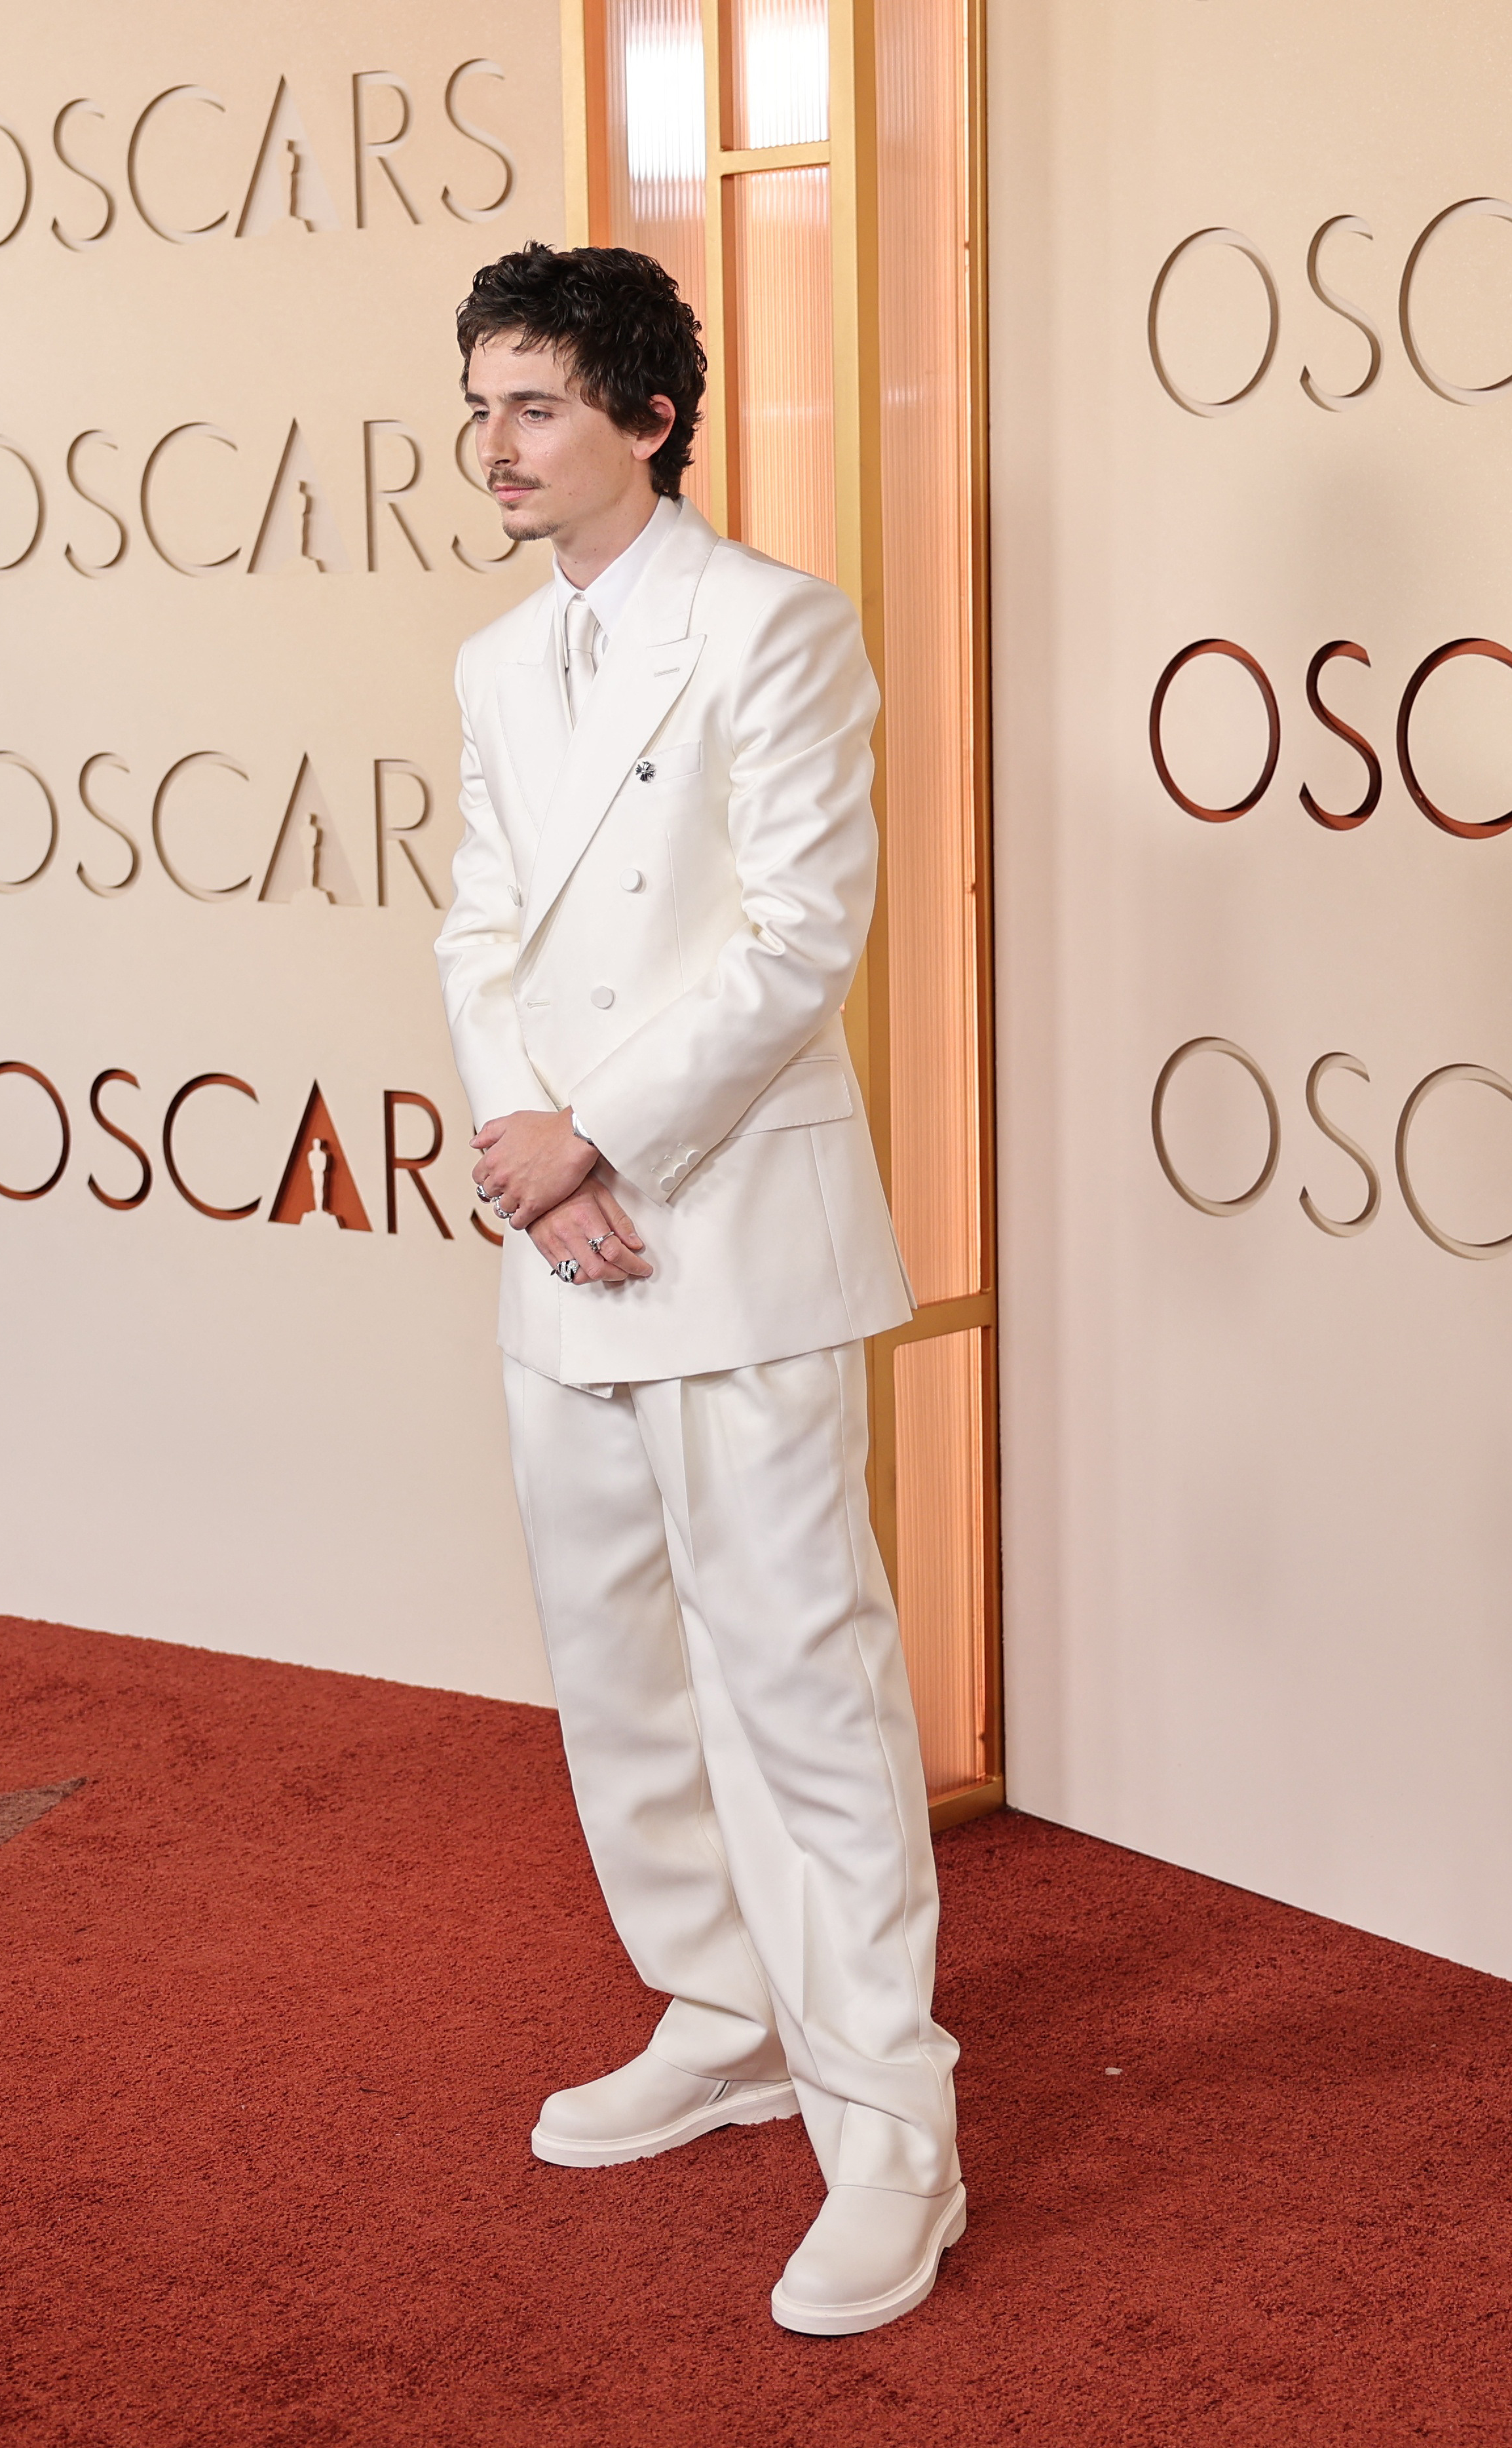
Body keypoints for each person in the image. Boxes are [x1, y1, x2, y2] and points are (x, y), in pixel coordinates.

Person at [436, 242, 961, 2337]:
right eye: (480, 404)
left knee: (798, 1677)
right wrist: (528, 1145)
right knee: (616, 1663)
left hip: (723, 1225)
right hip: (564, 1236)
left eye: (535, 404)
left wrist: (602, 1140)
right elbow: (479, 924)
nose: (493, 444)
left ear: (651, 417)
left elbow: (801, 934)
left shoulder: (774, 626)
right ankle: (722, 2010)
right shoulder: (497, 662)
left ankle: (890, 2123)